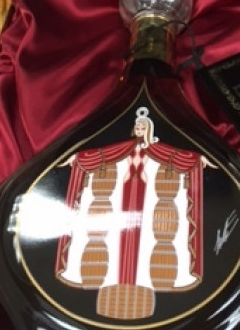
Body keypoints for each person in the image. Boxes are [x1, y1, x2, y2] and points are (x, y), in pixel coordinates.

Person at [54, 106, 212, 319]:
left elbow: (180, 157)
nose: (138, 130)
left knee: (154, 245)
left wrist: (197, 160)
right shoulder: (121, 150)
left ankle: (144, 285)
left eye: (142, 128)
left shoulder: (161, 152)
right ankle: (110, 284)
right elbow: (100, 155)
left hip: (151, 208)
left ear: (148, 129)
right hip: (119, 204)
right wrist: (78, 158)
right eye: (137, 127)